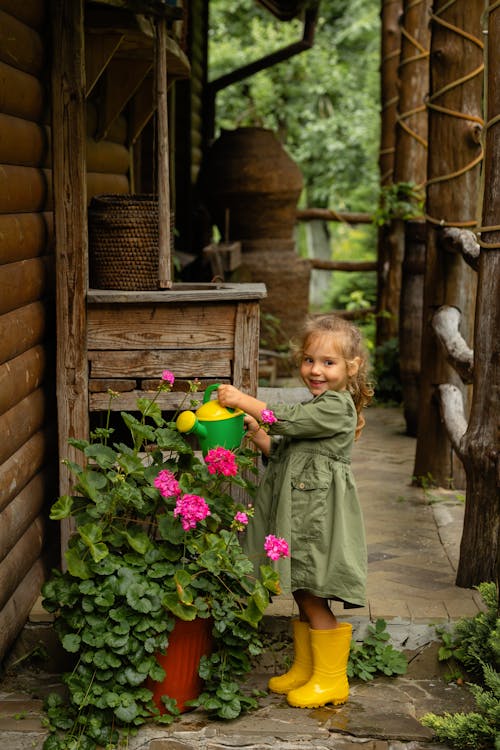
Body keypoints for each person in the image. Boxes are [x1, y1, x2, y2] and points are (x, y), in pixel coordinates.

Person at [217, 313, 373, 709]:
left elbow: (288, 419)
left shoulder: (336, 408)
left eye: (328, 362)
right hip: (300, 513)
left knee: (313, 592)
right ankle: (308, 668)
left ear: (351, 368)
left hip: (317, 517)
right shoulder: (318, 405)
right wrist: (256, 433)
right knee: (302, 590)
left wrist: (241, 400)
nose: (315, 370)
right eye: (309, 360)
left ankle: (332, 679)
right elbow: (281, 451)